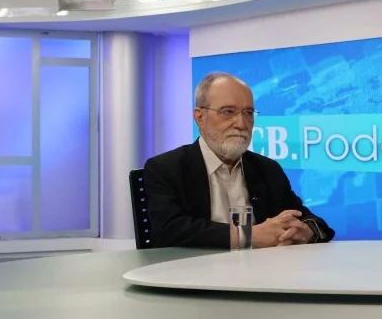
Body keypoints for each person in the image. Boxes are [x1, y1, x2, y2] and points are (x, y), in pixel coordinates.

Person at [143, 72, 335, 249]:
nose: (241, 124)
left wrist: (306, 231)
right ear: (200, 117)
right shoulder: (165, 168)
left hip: (261, 272)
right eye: (228, 112)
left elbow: (305, 217)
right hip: (193, 271)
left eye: (248, 113)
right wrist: (248, 235)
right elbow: (167, 231)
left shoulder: (267, 169)